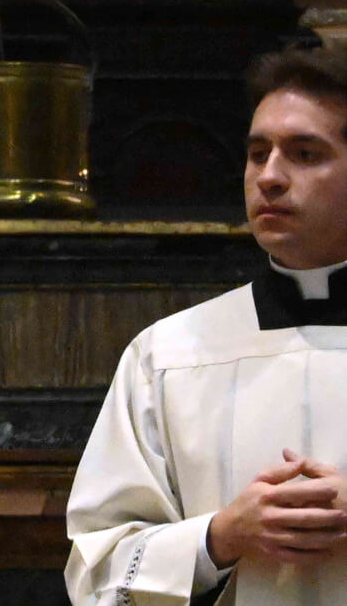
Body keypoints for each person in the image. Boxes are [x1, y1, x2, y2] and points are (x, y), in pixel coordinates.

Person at [66, 44, 347, 605]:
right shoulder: (168, 355)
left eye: (304, 153)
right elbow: (96, 575)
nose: (269, 177)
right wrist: (218, 538)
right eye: (258, 153)